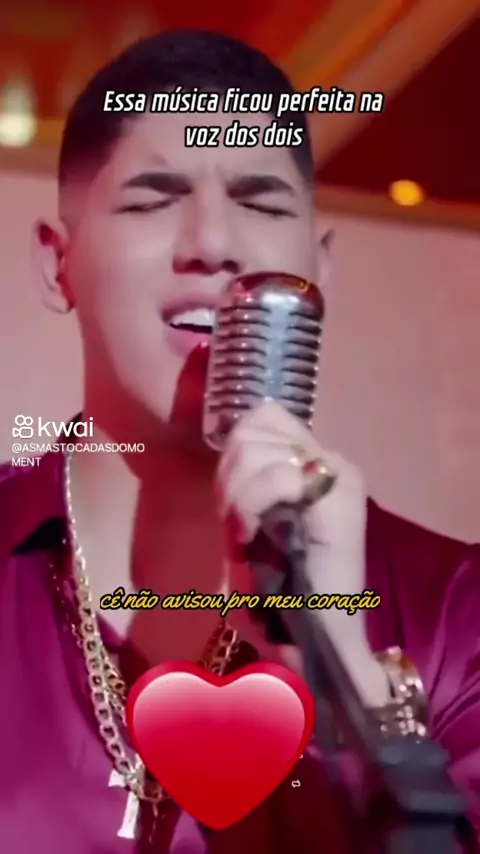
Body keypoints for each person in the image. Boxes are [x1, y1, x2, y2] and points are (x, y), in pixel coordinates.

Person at [0, 28, 478, 854]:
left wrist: (347, 675)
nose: (214, 246)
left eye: (259, 203)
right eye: (153, 200)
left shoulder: (455, 615)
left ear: (320, 272)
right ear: (58, 263)